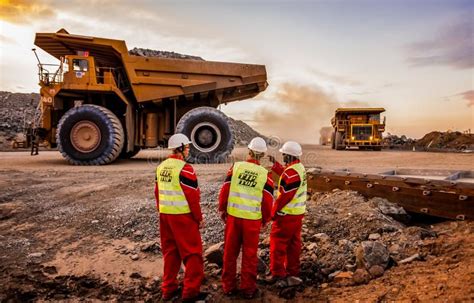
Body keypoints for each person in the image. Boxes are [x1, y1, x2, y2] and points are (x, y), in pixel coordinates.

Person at [218, 137, 274, 299]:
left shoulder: (236, 168)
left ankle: (228, 286)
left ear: (249, 151)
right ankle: (248, 289)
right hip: (252, 221)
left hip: (234, 218)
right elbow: (267, 202)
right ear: (262, 154)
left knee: (230, 252)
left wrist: (223, 210)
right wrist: (265, 219)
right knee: (249, 255)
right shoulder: (265, 175)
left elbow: (225, 191)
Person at [154, 133, 206, 302]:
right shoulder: (185, 169)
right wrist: (198, 218)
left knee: (170, 253)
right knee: (193, 254)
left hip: (165, 216)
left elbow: (157, 193)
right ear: (181, 148)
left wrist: (162, 211)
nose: (189, 150)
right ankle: (191, 293)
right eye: (188, 147)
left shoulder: (161, 167)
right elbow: (193, 197)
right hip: (183, 217)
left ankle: (168, 289)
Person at [267, 141, 307, 286]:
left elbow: (284, 196)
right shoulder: (298, 167)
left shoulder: (291, 173)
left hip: (287, 215)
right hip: (297, 214)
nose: (283, 156)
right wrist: (275, 165)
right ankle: (292, 271)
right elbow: (286, 172)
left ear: (290, 156)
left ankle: (277, 273)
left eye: (284, 155)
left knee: (278, 243)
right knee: (293, 244)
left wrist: (273, 213)